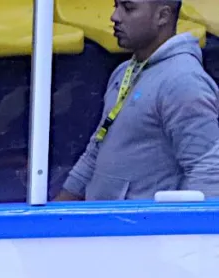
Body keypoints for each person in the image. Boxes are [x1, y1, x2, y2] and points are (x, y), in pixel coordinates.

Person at [56, 0, 219, 201]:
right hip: (104, 227)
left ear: (163, 16)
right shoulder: (123, 72)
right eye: (116, 6)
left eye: (128, 8)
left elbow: (208, 172)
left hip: (144, 230)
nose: (115, 17)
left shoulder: (184, 81)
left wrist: (178, 231)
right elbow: (95, 152)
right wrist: (55, 214)